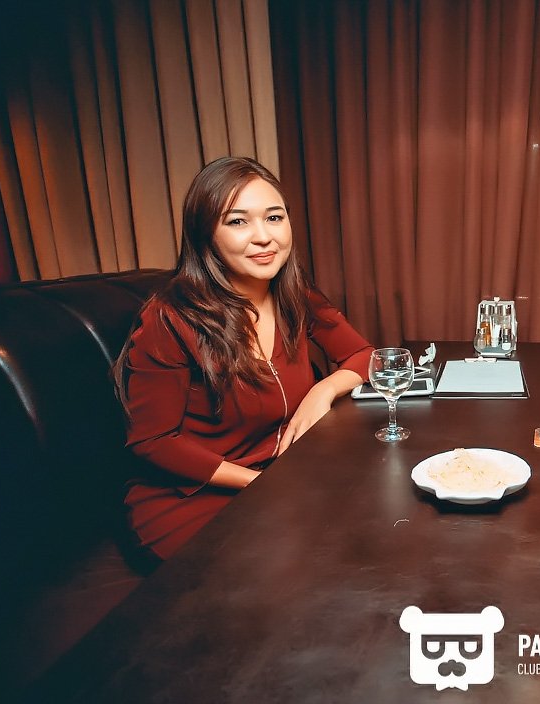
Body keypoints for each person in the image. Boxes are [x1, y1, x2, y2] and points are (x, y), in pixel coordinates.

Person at [115, 156, 374, 561]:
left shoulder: (294, 296)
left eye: (274, 217)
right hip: (193, 501)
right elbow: (154, 441)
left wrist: (322, 391)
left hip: (281, 478)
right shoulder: (170, 317)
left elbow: (363, 355)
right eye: (238, 222)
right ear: (206, 235)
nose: (263, 237)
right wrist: (260, 484)